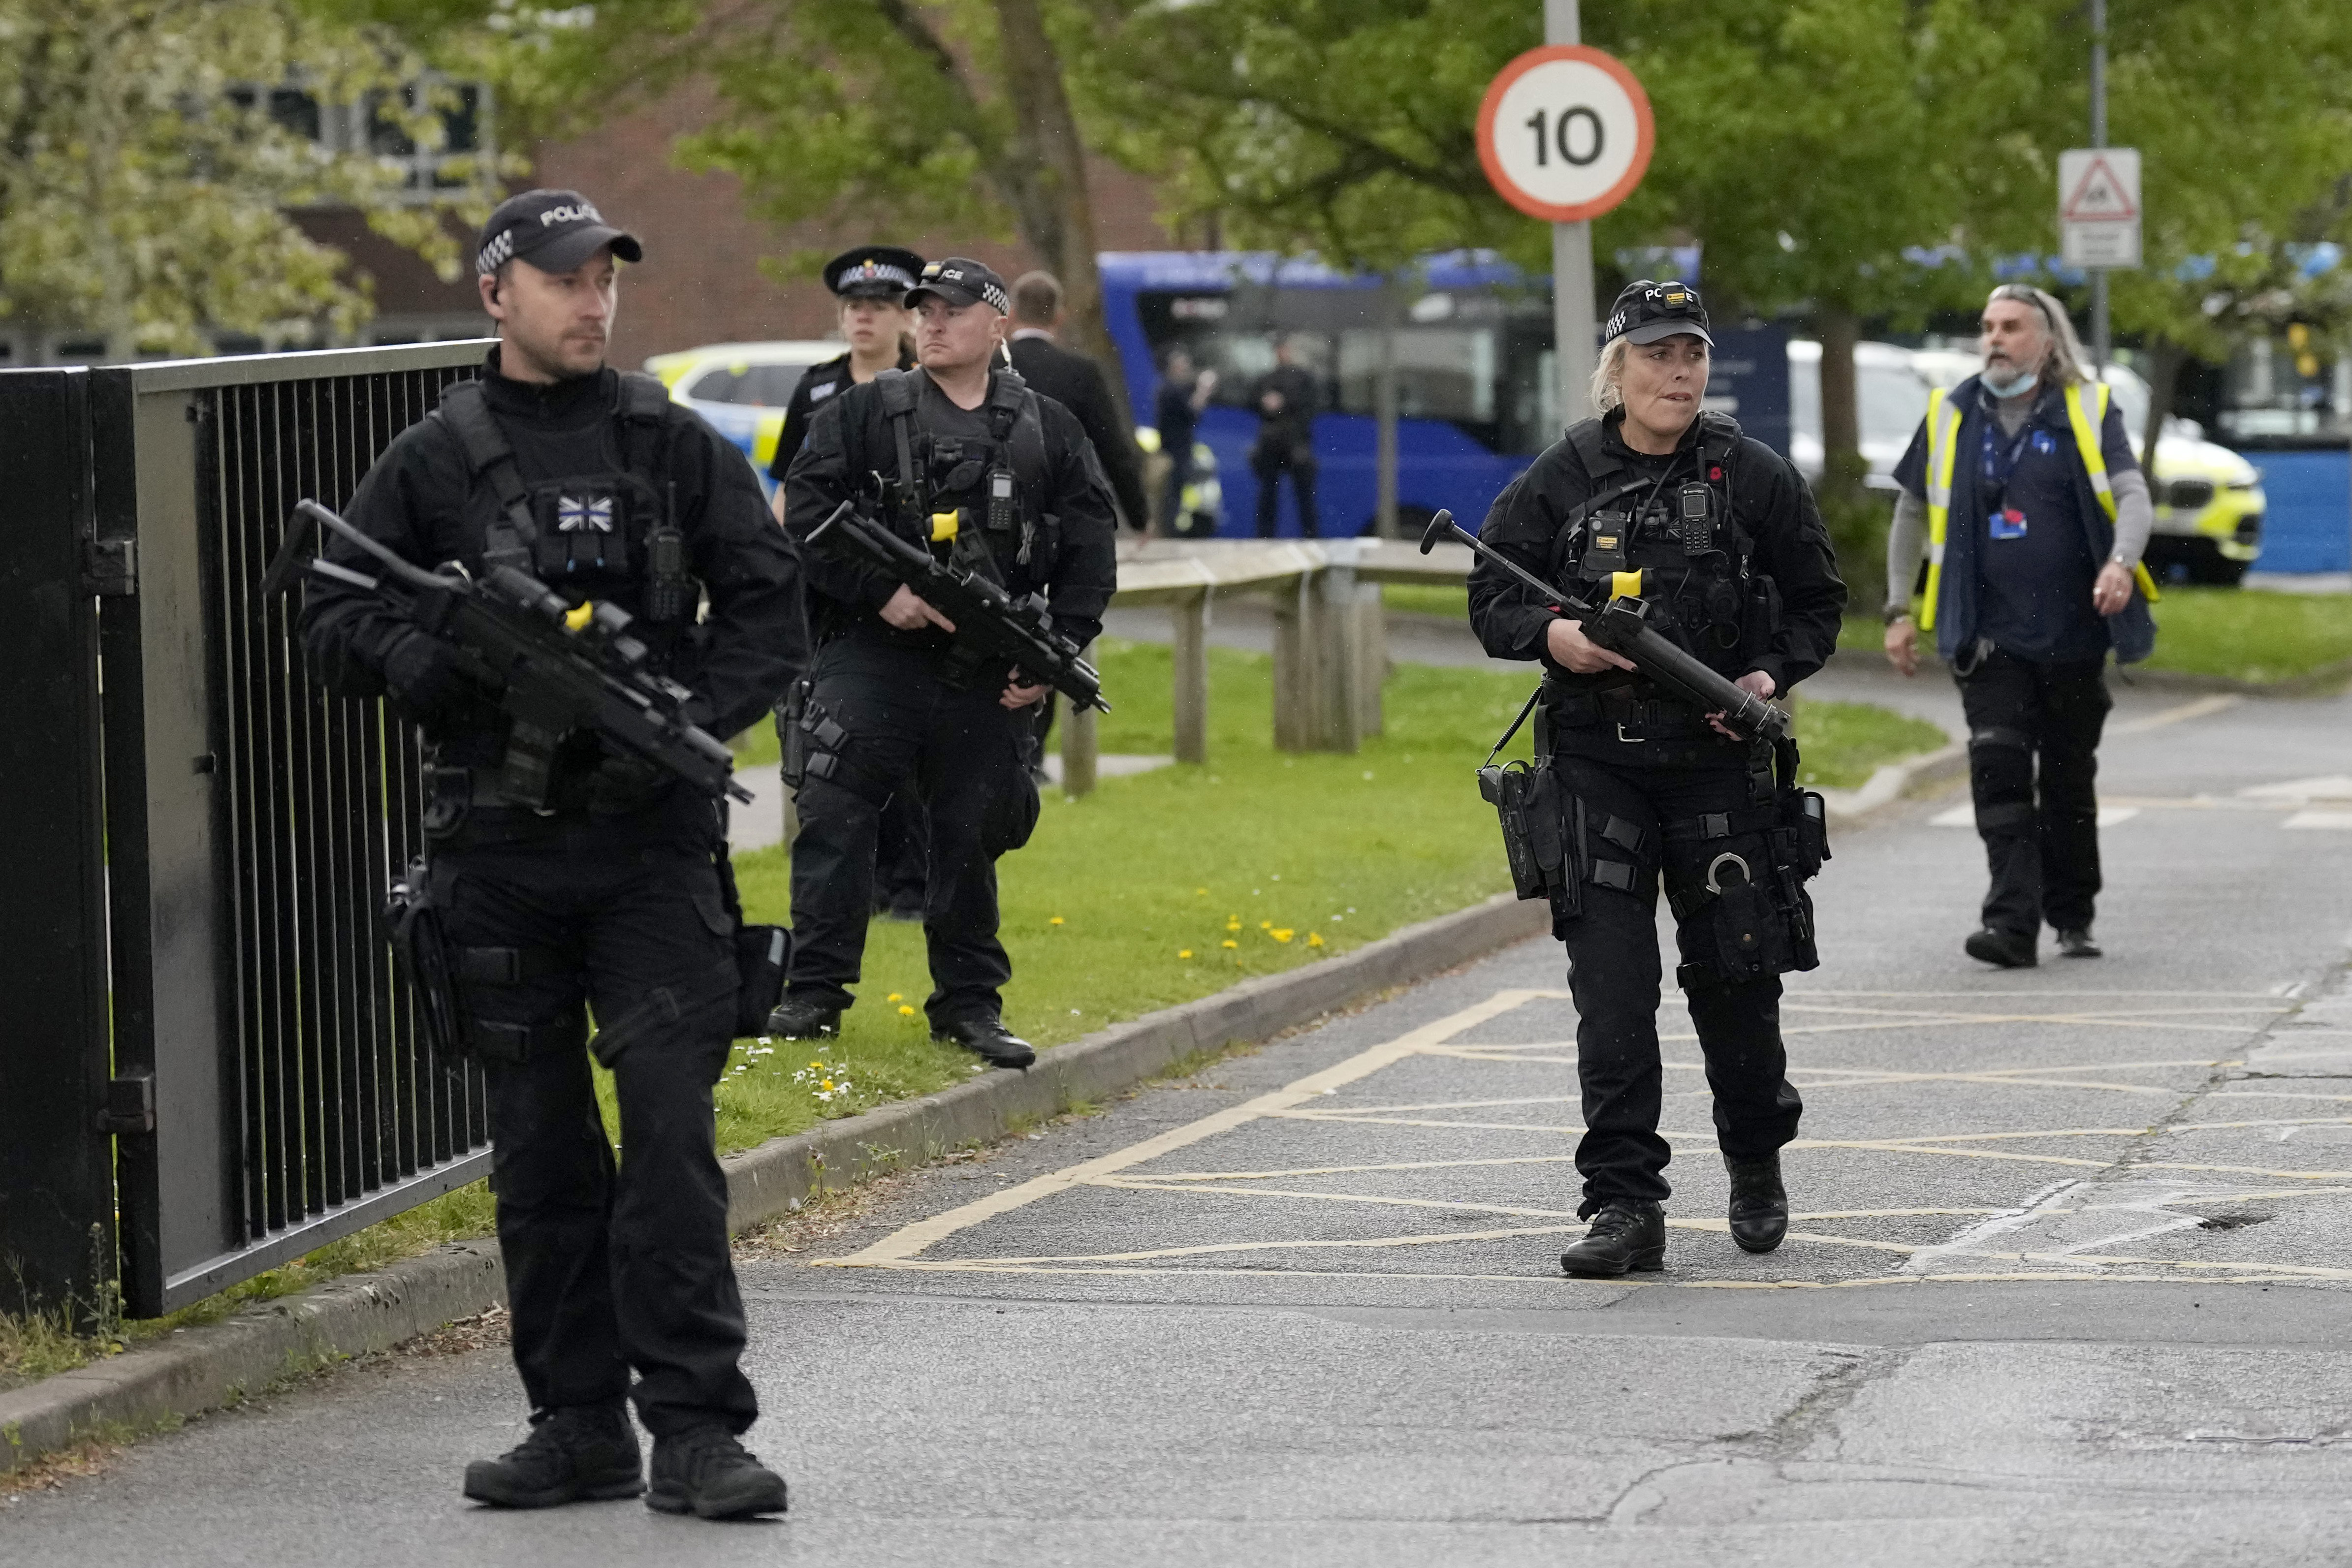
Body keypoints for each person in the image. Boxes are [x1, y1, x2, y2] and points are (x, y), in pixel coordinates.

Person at [301, 190, 804, 1518]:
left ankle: (697, 1428)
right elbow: (328, 612)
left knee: (670, 1138)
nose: (593, 301)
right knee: (539, 1154)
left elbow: (772, 606)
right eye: (566, 279)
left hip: (652, 856)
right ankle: (577, 1423)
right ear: (496, 293)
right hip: (500, 857)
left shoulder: (670, 441)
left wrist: (688, 721)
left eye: (605, 280)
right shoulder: (435, 457)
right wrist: (431, 665)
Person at [1466, 281, 1846, 1278]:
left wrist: (1765, 676)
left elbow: (1817, 602)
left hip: (1718, 771)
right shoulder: (1562, 475)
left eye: (1692, 355)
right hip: (1598, 769)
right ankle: (1623, 1204)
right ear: (1617, 369)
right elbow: (1491, 594)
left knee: (1738, 983)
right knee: (1613, 995)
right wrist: (1554, 637)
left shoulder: (1752, 476)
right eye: (1656, 356)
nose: (1677, 374)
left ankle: (1754, 1158)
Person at [769, 257, 1118, 1066]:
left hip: (985, 666)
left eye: (951, 311)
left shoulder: (1047, 427)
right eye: (923, 310)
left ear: (997, 325)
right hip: (875, 650)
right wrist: (880, 590)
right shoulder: (864, 412)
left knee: (970, 830)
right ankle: (814, 993)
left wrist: (1056, 651)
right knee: (833, 805)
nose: (931, 323)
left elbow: (1089, 547)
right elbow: (806, 513)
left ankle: (968, 1005)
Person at [1885, 284, 2157, 969]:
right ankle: (2009, 924)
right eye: (1987, 327)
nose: (1994, 340)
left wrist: (2121, 562)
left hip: (2073, 635)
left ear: (2046, 340)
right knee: (1997, 769)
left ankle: (2072, 914)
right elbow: (1910, 511)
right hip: (1986, 637)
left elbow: (2131, 493)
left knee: (2066, 782)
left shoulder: (2085, 409)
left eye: (2010, 327)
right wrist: (1896, 609)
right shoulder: (1951, 414)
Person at [767, 245, 929, 922]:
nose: (863, 318)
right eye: (853, 307)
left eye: (879, 307)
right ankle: (859, 882)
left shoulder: (926, 387)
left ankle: (911, 881)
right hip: (826, 586)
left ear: (905, 319)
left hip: (902, 585)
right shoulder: (816, 389)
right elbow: (787, 491)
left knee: (906, 738)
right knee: (830, 737)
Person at [1007, 269, 1150, 532]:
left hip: (1003, 507)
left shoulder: (990, 367)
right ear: (1059, 317)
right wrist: (1138, 516)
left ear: (1013, 314)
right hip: (1064, 513)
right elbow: (1112, 448)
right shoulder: (1081, 372)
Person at [1249, 335, 1321, 537]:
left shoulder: (1302, 378)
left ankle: (1311, 536)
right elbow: (1253, 401)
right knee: (1268, 494)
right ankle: (1265, 536)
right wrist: (1266, 403)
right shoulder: (1268, 378)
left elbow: (1310, 406)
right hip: (1272, 444)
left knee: (1304, 495)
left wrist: (1283, 403)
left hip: (1296, 443)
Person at [1153, 345, 1217, 534]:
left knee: (1175, 492)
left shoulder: (1167, 388)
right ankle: (1169, 530)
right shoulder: (1172, 390)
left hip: (1173, 447)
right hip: (1177, 449)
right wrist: (1204, 389)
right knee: (1174, 492)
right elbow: (1192, 413)